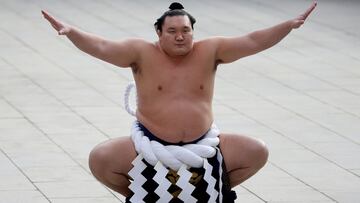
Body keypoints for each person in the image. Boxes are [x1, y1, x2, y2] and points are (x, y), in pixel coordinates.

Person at [42, 1, 317, 202]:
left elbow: (252, 40)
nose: (180, 36)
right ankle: (147, 195)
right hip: (150, 147)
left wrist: (287, 26)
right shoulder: (140, 52)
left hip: (204, 147)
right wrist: (72, 32)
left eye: (186, 30)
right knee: (100, 159)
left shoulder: (211, 50)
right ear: (159, 33)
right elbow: (102, 47)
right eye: (172, 31)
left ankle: (210, 192)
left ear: (193, 32)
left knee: (258, 151)